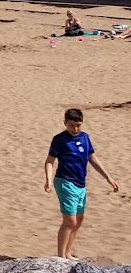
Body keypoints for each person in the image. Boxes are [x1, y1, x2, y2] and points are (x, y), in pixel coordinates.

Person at [46, 108, 119, 259]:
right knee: (70, 221)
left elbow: (92, 158)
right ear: (65, 123)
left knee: (79, 220)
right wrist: (48, 179)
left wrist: (108, 178)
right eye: (72, 125)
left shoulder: (85, 138)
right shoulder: (59, 140)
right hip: (65, 182)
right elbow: (49, 161)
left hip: (81, 184)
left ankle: (67, 253)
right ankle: (60, 257)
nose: (75, 129)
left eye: (79, 125)